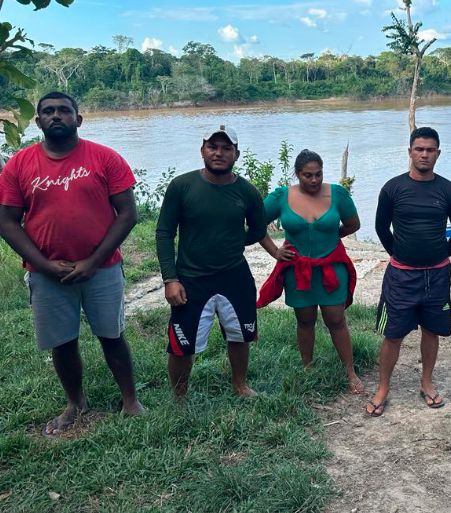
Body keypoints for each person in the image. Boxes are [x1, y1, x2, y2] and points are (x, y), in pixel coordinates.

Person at [0, 92, 144, 436]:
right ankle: (74, 404)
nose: (56, 116)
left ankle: (131, 401)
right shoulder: (18, 164)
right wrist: (44, 265)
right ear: (38, 122)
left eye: (64, 111)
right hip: (46, 272)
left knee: (112, 335)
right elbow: (7, 222)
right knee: (62, 341)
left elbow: (128, 214)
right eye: (48, 111)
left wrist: (94, 261)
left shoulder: (105, 158)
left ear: (78, 119)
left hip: (102, 267)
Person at [156, 125, 267, 399]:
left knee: (240, 335)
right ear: (202, 150)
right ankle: (179, 397)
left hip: (235, 277)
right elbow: (164, 233)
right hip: (191, 279)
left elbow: (257, 230)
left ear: (237, 154)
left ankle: (240, 385)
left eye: (226, 148)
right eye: (212, 147)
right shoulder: (182, 186)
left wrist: (231, 241)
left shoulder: (247, 192)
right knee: (182, 344)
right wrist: (170, 279)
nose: (219, 153)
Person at [367, 126, 451, 416]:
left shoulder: (448, 190)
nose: (424, 154)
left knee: (431, 330)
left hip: (437, 274)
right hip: (402, 275)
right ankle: (383, 387)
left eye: (430, 149)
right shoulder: (392, 188)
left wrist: (442, 254)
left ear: (438, 153)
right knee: (393, 333)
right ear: (410, 151)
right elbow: (380, 228)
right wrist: (398, 253)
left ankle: (426, 382)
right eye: (419, 149)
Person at [257, 149, 364, 394]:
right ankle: (308, 368)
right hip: (298, 271)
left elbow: (353, 224)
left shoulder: (337, 193)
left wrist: (332, 236)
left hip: (332, 268)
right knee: (305, 320)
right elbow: (255, 223)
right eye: (307, 175)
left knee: (336, 319)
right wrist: (275, 251)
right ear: (297, 174)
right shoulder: (282, 196)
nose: (314, 180)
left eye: (318, 174)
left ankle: (350, 371)